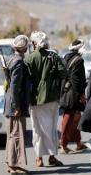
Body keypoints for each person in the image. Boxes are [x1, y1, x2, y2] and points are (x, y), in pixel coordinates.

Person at [24, 31, 67, 167]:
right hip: (51, 98)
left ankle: (39, 158)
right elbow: (63, 73)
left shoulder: (29, 58)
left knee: (37, 129)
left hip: (35, 99)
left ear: (34, 43)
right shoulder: (53, 56)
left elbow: (25, 79)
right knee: (51, 129)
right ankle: (52, 157)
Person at [4, 35, 30, 174]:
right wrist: (17, 106)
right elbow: (15, 86)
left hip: (10, 103)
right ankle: (14, 165)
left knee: (11, 134)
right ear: (24, 48)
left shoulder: (11, 59)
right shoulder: (19, 61)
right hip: (15, 104)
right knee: (16, 135)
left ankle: (11, 163)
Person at [60, 39, 87, 154]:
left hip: (66, 91)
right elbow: (76, 80)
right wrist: (81, 94)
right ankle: (63, 145)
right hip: (73, 93)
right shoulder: (79, 60)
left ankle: (78, 143)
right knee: (69, 118)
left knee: (76, 117)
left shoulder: (67, 57)